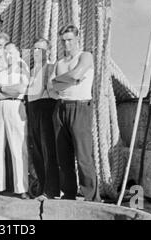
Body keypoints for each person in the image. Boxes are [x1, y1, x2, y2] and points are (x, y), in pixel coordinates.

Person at [51, 25, 100, 202]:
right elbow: (53, 86)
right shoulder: (60, 62)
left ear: (77, 38)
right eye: (64, 40)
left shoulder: (85, 56)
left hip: (80, 108)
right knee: (63, 157)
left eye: (70, 39)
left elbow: (76, 74)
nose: (67, 43)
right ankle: (69, 194)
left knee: (83, 156)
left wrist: (64, 79)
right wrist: (70, 79)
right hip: (60, 108)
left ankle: (92, 198)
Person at [0, 34, 30, 199]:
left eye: (1, 46)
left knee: (17, 148)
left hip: (15, 106)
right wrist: (4, 91)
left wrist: (1, 88)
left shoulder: (21, 65)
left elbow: (19, 89)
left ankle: (21, 188)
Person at [26, 38, 59, 199]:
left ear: (49, 51)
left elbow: (51, 90)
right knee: (36, 150)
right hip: (32, 109)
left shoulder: (51, 67)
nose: (37, 52)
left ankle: (51, 190)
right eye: (35, 49)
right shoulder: (32, 70)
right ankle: (41, 186)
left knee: (48, 151)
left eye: (41, 49)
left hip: (46, 108)